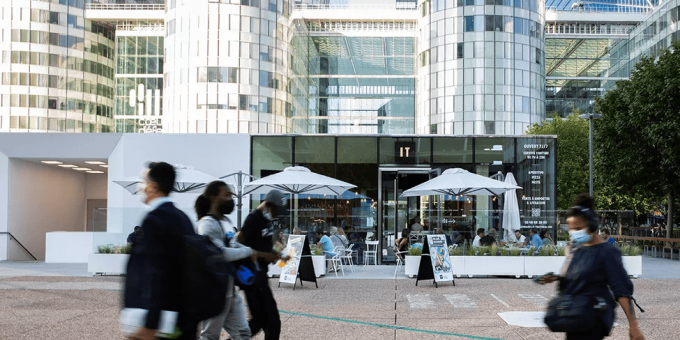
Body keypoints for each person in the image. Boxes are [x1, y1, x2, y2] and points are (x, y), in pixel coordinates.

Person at [541, 194, 644, 340]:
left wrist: (633, 326)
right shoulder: (578, 250)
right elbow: (576, 278)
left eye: (578, 228)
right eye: (571, 229)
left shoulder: (608, 252)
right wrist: (556, 278)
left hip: (593, 321)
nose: (574, 233)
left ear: (592, 225)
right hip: (573, 319)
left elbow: (621, 291)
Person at [123, 162, 198, 340]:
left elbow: (157, 273)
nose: (141, 186)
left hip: (163, 321)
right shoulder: (183, 218)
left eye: (143, 181)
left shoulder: (154, 220)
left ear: (153, 186)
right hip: (182, 315)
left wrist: (151, 324)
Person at [195, 181, 277, 340]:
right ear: (214, 198)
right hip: (214, 290)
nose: (230, 199)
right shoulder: (206, 224)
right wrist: (247, 251)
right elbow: (220, 253)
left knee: (243, 333)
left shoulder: (225, 222)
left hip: (230, 289)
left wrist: (250, 251)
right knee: (210, 336)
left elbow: (233, 243)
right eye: (226, 195)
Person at [237, 189, 286, 340]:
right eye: (276, 210)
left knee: (260, 322)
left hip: (260, 275)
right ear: (268, 205)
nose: (277, 215)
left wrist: (275, 254)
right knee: (272, 322)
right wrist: (266, 255)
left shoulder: (266, 221)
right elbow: (239, 246)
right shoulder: (253, 219)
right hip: (252, 276)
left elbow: (260, 244)